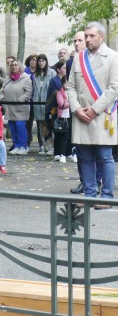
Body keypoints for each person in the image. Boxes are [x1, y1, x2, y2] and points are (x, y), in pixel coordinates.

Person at [67, 21, 118, 210]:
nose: (87, 39)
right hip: (81, 114)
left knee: (105, 157)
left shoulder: (113, 57)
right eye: (86, 36)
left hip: (102, 115)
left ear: (101, 36)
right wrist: (76, 108)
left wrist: (94, 109)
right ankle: (89, 195)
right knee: (85, 157)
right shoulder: (78, 58)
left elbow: (114, 88)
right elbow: (70, 86)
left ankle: (106, 196)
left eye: (91, 36)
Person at [0, 59, 32, 155]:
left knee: (20, 126)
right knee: (12, 127)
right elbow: (2, 90)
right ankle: (17, 145)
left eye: (16, 65)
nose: (14, 67)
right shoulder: (7, 79)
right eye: (12, 65)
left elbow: (28, 92)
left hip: (21, 107)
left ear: (20, 67)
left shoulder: (26, 78)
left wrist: (20, 100)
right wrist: (2, 98)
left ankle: (24, 146)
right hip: (9, 108)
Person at [33, 54, 56, 155]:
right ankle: (44, 146)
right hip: (38, 103)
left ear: (46, 62)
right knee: (41, 126)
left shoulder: (52, 73)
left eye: (43, 61)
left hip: (48, 103)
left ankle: (51, 147)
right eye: (39, 61)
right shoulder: (35, 75)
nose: (41, 63)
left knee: (49, 125)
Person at [46, 59, 68, 160]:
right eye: (64, 67)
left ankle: (66, 152)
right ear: (58, 69)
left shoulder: (68, 78)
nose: (66, 69)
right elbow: (53, 94)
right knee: (57, 131)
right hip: (56, 109)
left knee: (66, 132)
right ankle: (57, 152)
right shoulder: (54, 80)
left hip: (67, 112)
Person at [54, 76, 72, 163]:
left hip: (71, 116)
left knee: (70, 136)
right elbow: (62, 104)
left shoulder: (72, 92)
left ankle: (69, 153)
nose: (67, 85)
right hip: (62, 117)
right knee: (62, 137)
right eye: (65, 83)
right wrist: (71, 102)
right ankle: (61, 154)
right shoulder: (59, 93)